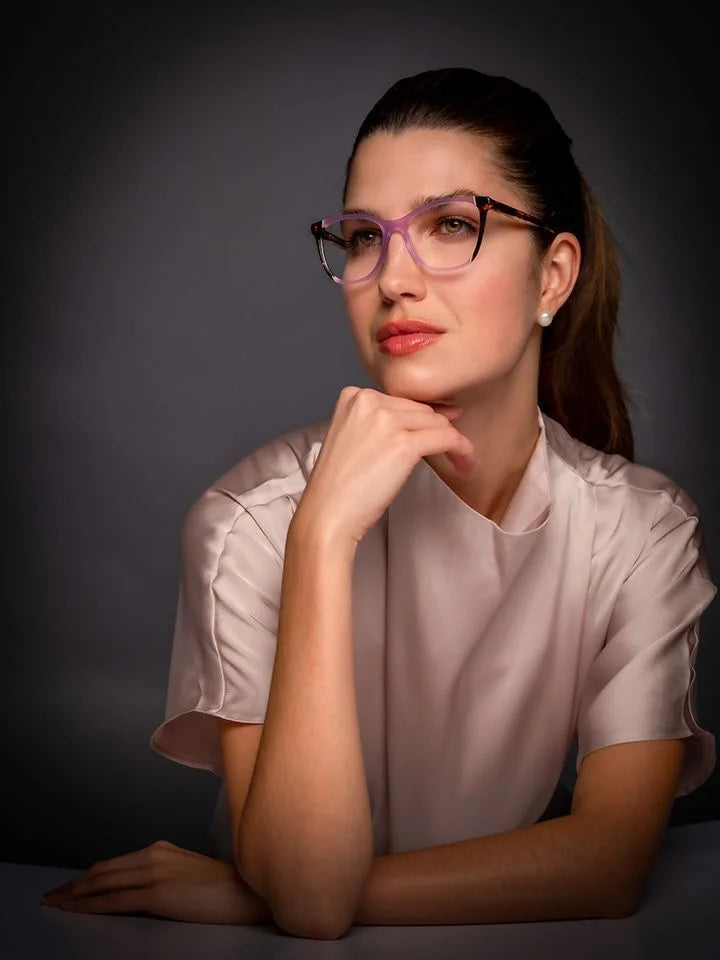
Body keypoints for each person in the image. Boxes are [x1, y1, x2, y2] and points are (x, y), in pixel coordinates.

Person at [42, 67, 716, 934]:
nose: (393, 277)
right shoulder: (250, 517)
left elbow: (609, 864)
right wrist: (321, 537)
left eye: (450, 225)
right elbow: (311, 909)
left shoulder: (642, 529)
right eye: (363, 237)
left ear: (553, 277)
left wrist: (249, 894)